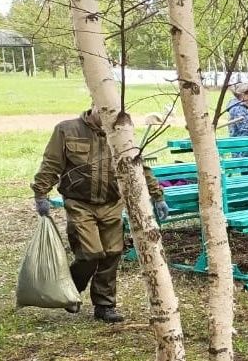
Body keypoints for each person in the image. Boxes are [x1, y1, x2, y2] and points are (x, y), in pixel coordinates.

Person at [31, 109, 169, 324]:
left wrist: (157, 195)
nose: (107, 116)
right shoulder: (67, 129)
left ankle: (105, 306)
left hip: (112, 203)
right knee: (89, 253)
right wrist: (41, 193)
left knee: (112, 252)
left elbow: (138, 165)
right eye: (102, 109)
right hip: (79, 203)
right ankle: (71, 292)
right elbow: (51, 163)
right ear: (94, 104)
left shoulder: (120, 131)